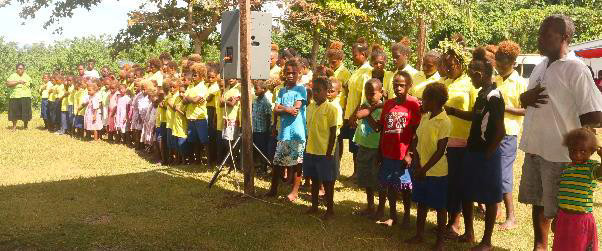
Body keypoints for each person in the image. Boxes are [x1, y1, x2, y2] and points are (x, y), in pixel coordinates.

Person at [518, 15, 602, 251]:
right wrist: (525, 99)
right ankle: (540, 246)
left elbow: (595, 115)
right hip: (535, 149)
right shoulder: (541, 66)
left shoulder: (576, 69)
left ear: (564, 37)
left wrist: (581, 144)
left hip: (560, 155)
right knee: (539, 202)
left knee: (563, 211)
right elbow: (530, 101)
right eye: (540, 32)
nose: (540, 37)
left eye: (547, 33)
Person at [447, 47, 506, 250]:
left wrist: (488, 154)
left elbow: (500, 131)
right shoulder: (482, 94)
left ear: (480, 75)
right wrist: (453, 111)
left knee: (489, 197)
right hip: (472, 151)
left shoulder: (494, 97)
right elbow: (476, 117)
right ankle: (469, 233)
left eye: (472, 76)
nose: (470, 79)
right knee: (466, 191)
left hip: (486, 153)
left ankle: (487, 241)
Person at [406, 82, 451, 250]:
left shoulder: (444, 121)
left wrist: (424, 169)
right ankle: (419, 234)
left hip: (436, 172)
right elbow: (417, 141)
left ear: (434, 100)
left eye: (424, 99)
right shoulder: (425, 117)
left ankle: (440, 241)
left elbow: (440, 151)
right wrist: (417, 164)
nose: (421, 102)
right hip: (420, 170)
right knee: (422, 203)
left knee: (440, 206)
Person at [440, 40, 477, 238]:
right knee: (448, 183)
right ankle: (448, 221)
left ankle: (460, 225)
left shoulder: (470, 84)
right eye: (445, 63)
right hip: (445, 139)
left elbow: (476, 114)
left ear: (460, 63)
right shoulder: (445, 82)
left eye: (451, 64)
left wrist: (453, 111)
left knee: (461, 185)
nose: (447, 67)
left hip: (462, 141)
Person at [377, 71, 420, 227]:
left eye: (402, 85)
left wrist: (410, 153)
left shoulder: (413, 104)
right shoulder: (388, 104)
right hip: (388, 152)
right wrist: (379, 151)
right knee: (390, 186)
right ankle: (393, 215)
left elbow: (416, 131)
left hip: (403, 154)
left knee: (405, 187)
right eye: (396, 85)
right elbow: (383, 129)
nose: (398, 88)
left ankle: (407, 215)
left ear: (409, 86)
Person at [493, 40, 527, 230]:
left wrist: (504, 108)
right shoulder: (495, 80)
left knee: (504, 175)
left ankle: (511, 217)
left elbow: (526, 110)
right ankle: (495, 208)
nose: (498, 64)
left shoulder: (520, 83)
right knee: (493, 171)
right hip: (492, 133)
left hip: (508, 134)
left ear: (513, 61)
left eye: (503, 61)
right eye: (497, 60)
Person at [267, 59, 307, 202]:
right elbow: (275, 109)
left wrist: (284, 108)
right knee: (277, 162)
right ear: (284, 74)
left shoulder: (301, 89)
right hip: (283, 132)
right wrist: (285, 109)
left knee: (297, 163)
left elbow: (295, 110)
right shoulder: (281, 91)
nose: (290, 75)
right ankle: (273, 189)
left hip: (297, 132)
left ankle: (295, 191)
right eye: (288, 73)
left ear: (299, 74)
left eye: (293, 73)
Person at [552, 128, 599, 251]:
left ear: (592, 151)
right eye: (573, 150)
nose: (577, 155)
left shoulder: (591, 168)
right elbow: (563, 195)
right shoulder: (567, 168)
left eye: (583, 151)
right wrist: (557, 217)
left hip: (581, 220)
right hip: (564, 217)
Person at [304, 76, 339, 220]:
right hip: (311, 150)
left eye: (319, 90)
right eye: (314, 90)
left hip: (324, 152)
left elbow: (332, 132)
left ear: (326, 91)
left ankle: (330, 209)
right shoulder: (310, 107)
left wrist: (329, 152)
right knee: (314, 179)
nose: (316, 93)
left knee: (327, 181)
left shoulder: (331, 109)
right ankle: (314, 206)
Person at [352, 78, 383, 218]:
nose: (370, 96)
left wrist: (369, 112)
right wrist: (368, 109)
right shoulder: (365, 104)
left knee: (378, 179)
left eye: (373, 93)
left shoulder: (384, 108)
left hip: (376, 149)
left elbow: (377, 127)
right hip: (363, 145)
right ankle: (370, 206)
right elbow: (355, 118)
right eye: (367, 93)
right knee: (365, 177)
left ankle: (380, 209)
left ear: (381, 93)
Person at [345, 37, 373, 178]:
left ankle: (360, 173)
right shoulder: (357, 71)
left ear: (363, 55)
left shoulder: (367, 72)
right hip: (350, 113)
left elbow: (364, 97)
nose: (353, 57)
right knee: (353, 145)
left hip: (358, 114)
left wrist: (355, 115)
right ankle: (356, 172)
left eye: (355, 54)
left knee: (358, 145)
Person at [184, 63, 210, 164]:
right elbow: (184, 100)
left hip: (201, 118)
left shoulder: (203, 87)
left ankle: (208, 162)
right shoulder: (190, 86)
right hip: (191, 117)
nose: (193, 77)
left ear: (202, 76)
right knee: (194, 141)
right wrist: (191, 99)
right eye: (192, 74)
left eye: (195, 75)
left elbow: (194, 100)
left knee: (204, 141)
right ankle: (197, 160)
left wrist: (189, 98)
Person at [252, 80, 273, 173]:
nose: (254, 91)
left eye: (256, 89)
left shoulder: (266, 102)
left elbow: (268, 117)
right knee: (257, 149)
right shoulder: (256, 101)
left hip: (262, 131)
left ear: (263, 90)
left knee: (263, 150)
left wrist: (267, 131)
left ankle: (264, 168)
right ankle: (259, 166)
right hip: (255, 130)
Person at [6, 63, 33, 130]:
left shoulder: (27, 76)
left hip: (25, 96)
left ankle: (25, 126)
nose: (20, 70)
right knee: (14, 112)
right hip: (15, 96)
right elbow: (8, 84)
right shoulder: (12, 76)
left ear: (24, 69)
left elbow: (31, 85)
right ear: (16, 69)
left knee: (25, 112)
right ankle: (14, 126)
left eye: (21, 68)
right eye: (18, 68)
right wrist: (18, 82)